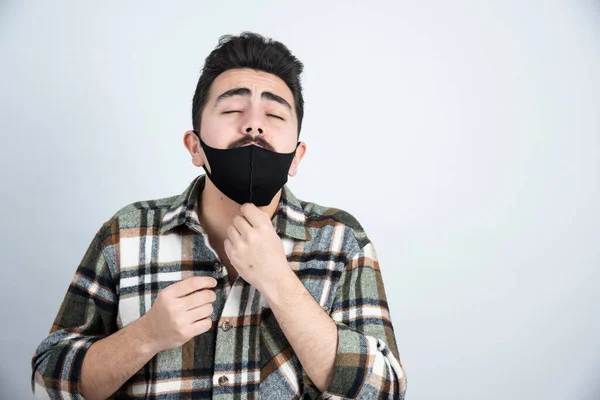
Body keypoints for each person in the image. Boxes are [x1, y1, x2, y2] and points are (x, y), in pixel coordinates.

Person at [31, 32, 407, 399]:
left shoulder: (341, 241)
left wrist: (280, 283)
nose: (254, 125)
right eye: (231, 110)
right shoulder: (126, 233)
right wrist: (146, 335)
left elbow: (385, 391)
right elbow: (48, 380)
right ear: (195, 147)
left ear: (296, 157)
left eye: (275, 114)